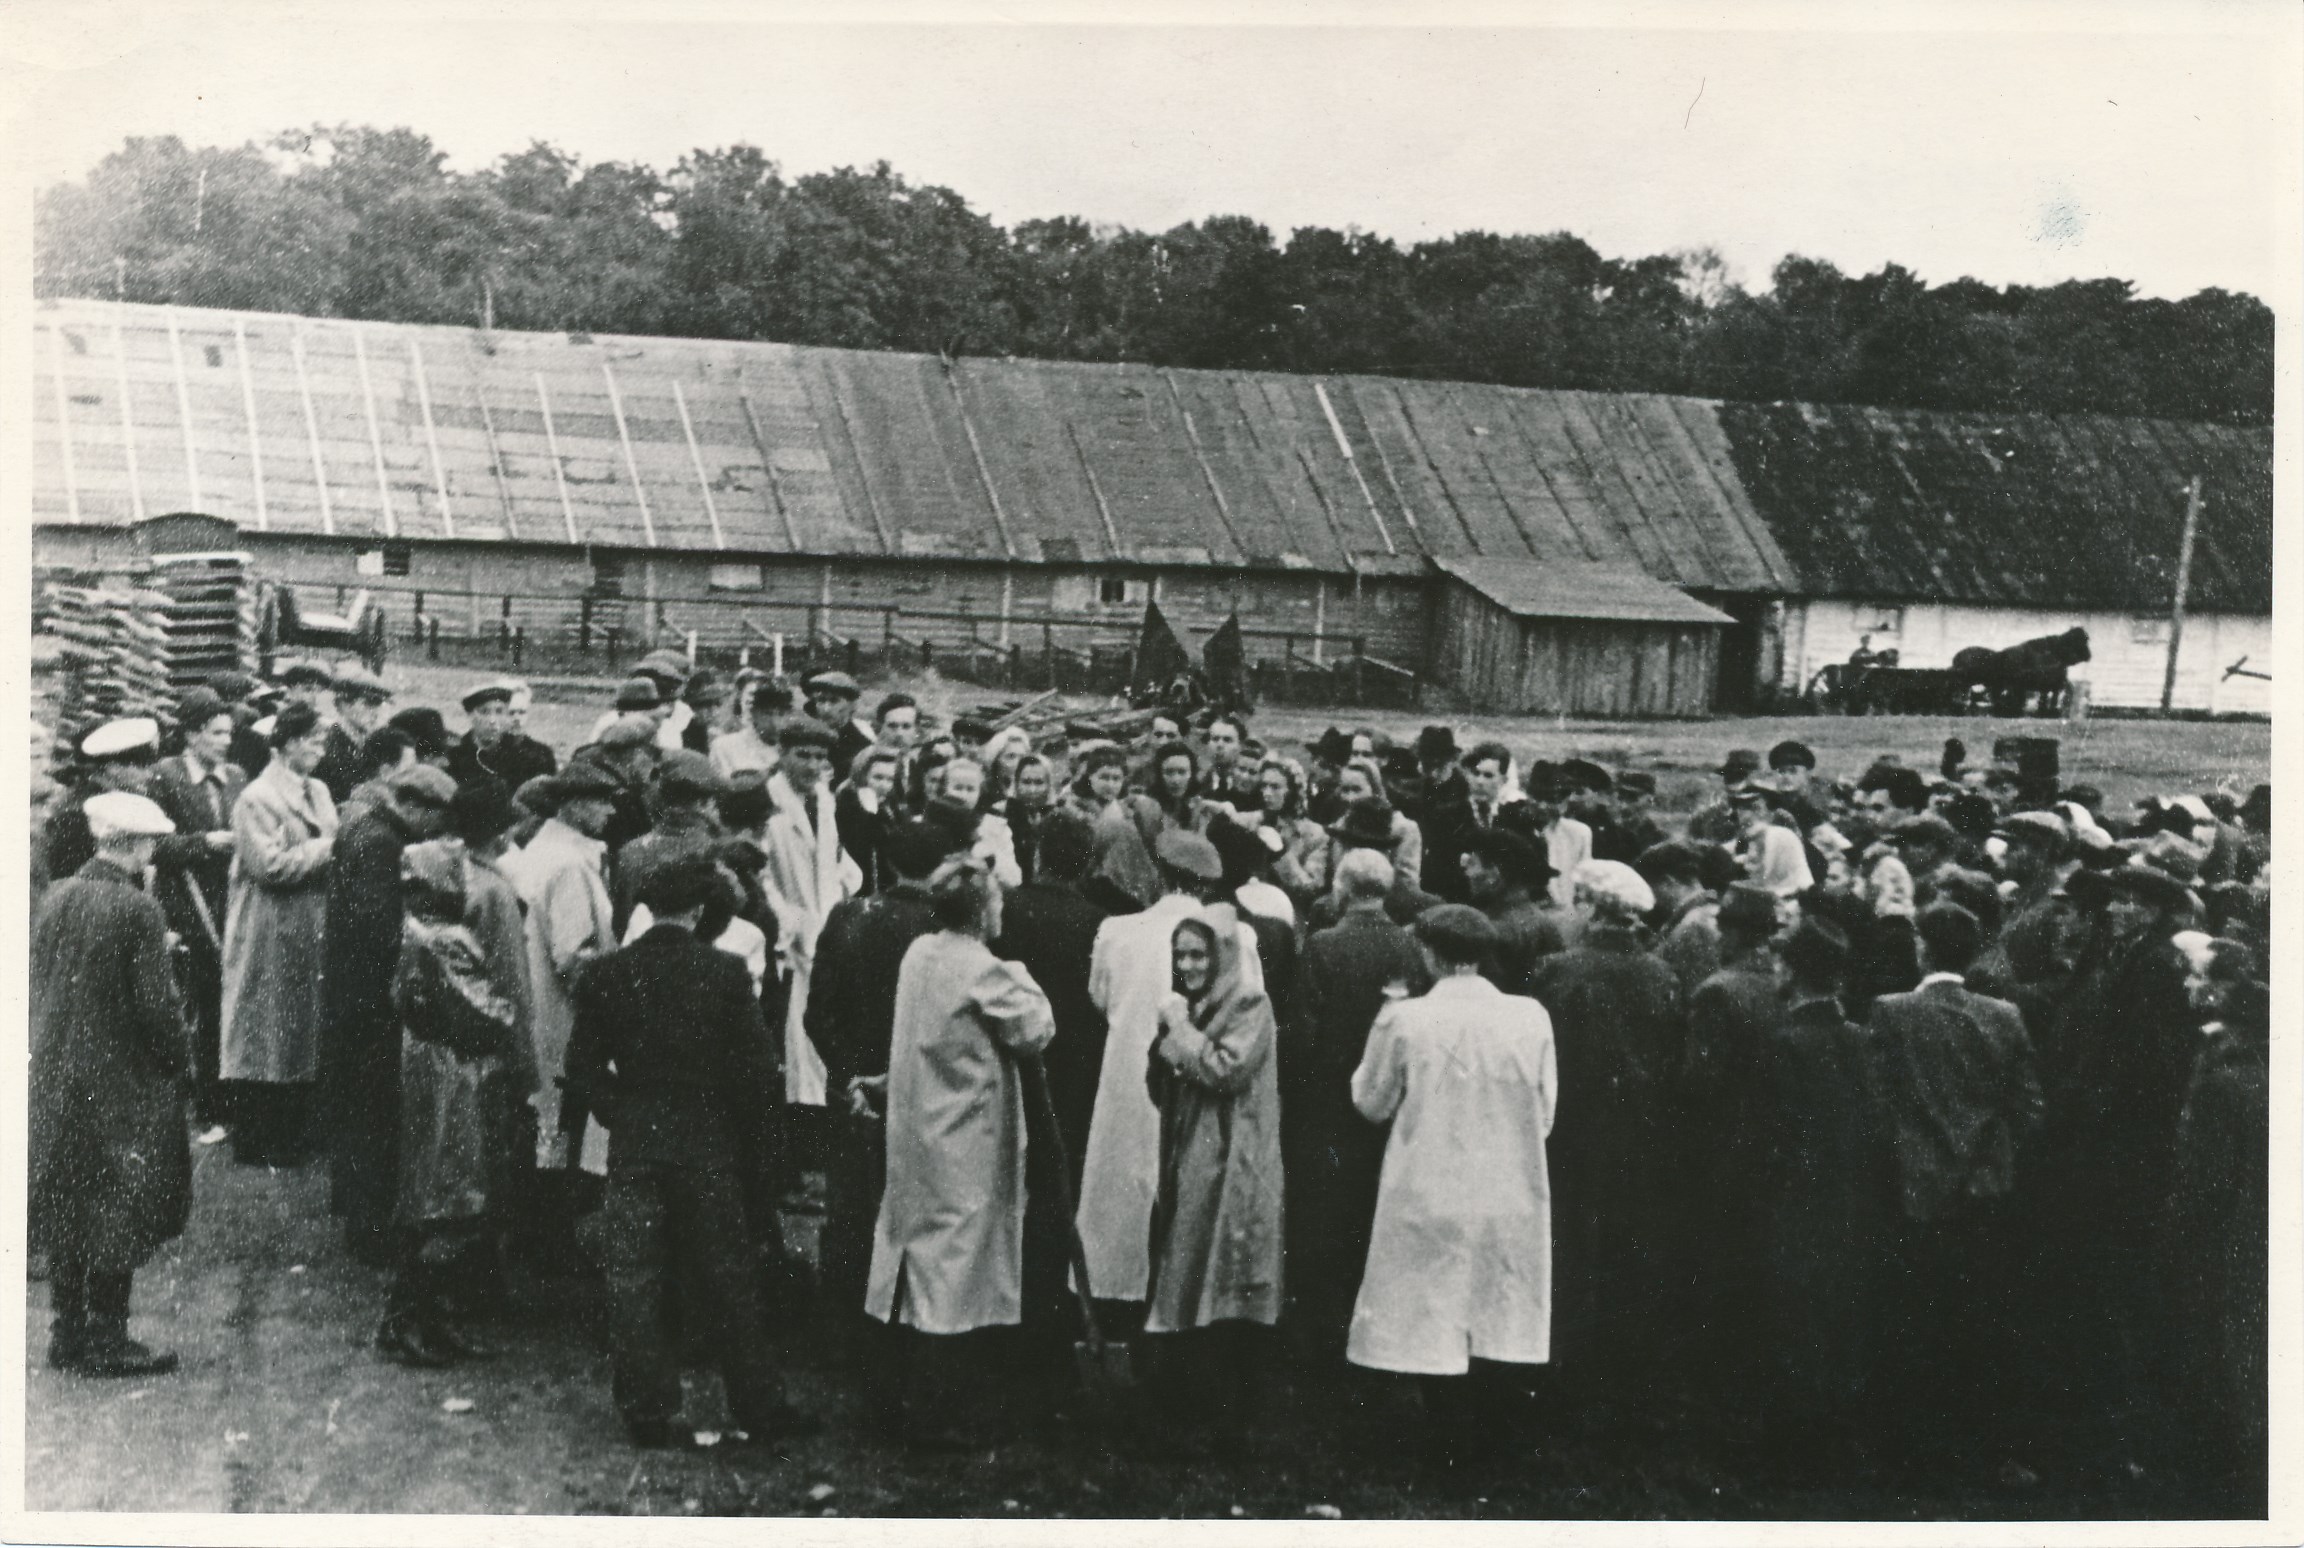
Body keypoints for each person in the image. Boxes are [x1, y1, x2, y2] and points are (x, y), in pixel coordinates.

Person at [567, 856, 815, 1449]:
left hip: (637, 1142)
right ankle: (759, 1405)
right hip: (709, 1145)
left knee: (633, 1279)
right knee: (730, 1277)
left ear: (648, 907)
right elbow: (756, 1076)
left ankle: (649, 1410)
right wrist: (763, 1154)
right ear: (701, 911)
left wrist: (618, 1110)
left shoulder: (607, 973)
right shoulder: (726, 973)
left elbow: (581, 1067)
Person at [1347, 904, 1557, 1468]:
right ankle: (1488, 1444)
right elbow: (1544, 1113)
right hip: (1506, 1186)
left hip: (1430, 1185)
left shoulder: (1406, 1018)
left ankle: (1446, 1442)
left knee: (1433, 1311)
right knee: (1494, 1304)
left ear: (1430, 953)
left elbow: (1370, 1101)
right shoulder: (1531, 1015)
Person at [864, 855, 1056, 1446]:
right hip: (964, 1137)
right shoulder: (986, 970)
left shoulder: (919, 953)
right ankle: (940, 1412)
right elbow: (1036, 1029)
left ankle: (894, 1397)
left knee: (913, 1255)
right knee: (955, 1271)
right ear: (981, 910)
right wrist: (1018, 970)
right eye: (997, 902)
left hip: (918, 1126)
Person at [1866, 903, 2044, 1473]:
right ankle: (1983, 1449)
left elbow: (1877, 1102)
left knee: (1915, 1317)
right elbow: (2030, 1109)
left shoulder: (1891, 1012)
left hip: (1914, 1186)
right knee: (1983, 1321)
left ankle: (1913, 1452)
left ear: (1922, 949)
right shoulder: (2004, 1015)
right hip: (1985, 1187)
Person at [30, 791, 192, 1377]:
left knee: (68, 1198)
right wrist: (179, 1061)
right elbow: (156, 1010)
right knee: (119, 1201)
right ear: (136, 845)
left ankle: (66, 1330)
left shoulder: (58, 893)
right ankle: (106, 1338)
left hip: (55, 1072)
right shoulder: (138, 909)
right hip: (118, 1079)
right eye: (150, 843)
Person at [1078, 830, 1263, 1316]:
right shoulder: (1238, 937)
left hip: (1129, 1075)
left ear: (1157, 875)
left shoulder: (1117, 931)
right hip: (1200, 1073)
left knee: (1123, 1183)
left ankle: (1116, 1300)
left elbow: (1100, 998)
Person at [1531, 858, 1681, 1419]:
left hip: (1570, 1128)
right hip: (1638, 1132)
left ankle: (1562, 1365)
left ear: (1592, 908)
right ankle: (1617, 1371)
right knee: (1625, 1245)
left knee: (1568, 1243)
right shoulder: (1661, 975)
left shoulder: (1558, 970)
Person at [376, 842, 524, 1367]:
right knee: (454, 1191)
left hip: (428, 1063)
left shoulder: (412, 929)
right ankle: (409, 1319)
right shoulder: (447, 938)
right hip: (456, 1072)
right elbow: (487, 1010)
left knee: (434, 1190)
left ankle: (426, 1318)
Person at [806, 818, 948, 1361]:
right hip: (923, 1092)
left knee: (851, 1210)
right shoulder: (944, 926)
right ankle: (908, 1329)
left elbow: (818, 1014)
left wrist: (847, 1078)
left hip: (854, 1086)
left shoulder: (850, 916)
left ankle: (843, 1333)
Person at [1754, 918, 1894, 1468]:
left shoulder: (1785, 1044)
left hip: (1797, 1204)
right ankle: (1841, 1436)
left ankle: (1796, 1449)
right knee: (1844, 1321)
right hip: (1856, 1204)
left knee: (1796, 1322)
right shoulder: (1863, 1039)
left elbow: (1769, 1140)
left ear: (1790, 969)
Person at [1144, 909, 1286, 1435]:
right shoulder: (1195, 1006)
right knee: (1186, 1271)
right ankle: (1191, 1412)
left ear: (1222, 956)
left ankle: (1223, 1419)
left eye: (1198, 954)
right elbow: (1165, 1077)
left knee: (1221, 1276)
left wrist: (1178, 1033)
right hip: (1192, 1156)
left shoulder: (1249, 1004)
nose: (1188, 965)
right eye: (1180, 955)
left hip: (1231, 1159)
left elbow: (1224, 1069)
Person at [1285, 850, 1427, 1349]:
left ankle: (1323, 1328)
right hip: (1391, 1101)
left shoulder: (1324, 946)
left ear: (1342, 888)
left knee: (1327, 1213)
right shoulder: (1410, 949)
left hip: (1327, 1102)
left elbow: (1301, 1035)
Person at [322, 763, 458, 1265]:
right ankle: (371, 1232)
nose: (436, 831)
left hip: (351, 995)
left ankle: (363, 1219)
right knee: (374, 1115)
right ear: (415, 806)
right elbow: (378, 926)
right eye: (434, 818)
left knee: (363, 1112)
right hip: (369, 1000)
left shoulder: (366, 828)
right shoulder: (382, 842)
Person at [496, 762, 622, 1235]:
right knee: (562, 1123)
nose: (611, 811)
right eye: (602, 801)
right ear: (572, 805)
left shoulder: (546, 849)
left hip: (536, 1003)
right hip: (564, 1013)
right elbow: (574, 956)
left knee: (545, 1121)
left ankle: (537, 1232)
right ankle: (550, 1240)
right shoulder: (569, 865)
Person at [2166, 938, 2269, 1497]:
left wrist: (2178, 1233)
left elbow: (2203, 1184)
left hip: (2225, 1239)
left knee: (2222, 1344)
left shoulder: (2221, 1086)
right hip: (2260, 1233)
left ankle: (2225, 1459)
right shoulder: (2266, 1077)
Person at [218, 702, 339, 1167]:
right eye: (313, 740)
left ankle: (296, 1131)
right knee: (264, 1026)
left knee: (300, 1027)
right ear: (288, 742)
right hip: (268, 927)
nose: (320, 750)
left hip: (310, 923)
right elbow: (267, 866)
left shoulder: (320, 791)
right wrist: (327, 848)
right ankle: (258, 1138)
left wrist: (318, 850)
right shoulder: (257, 798)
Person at [1679, 879, 1784, 1402]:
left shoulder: (1718, 990)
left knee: (1718, 1260)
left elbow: (1699, 1081)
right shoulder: (1783, 984)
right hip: (1776, 1144)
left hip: (1724, 1144)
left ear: (1733, 933)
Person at [149, 689, 247, 1124]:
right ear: (191, 735)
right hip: (186, 904)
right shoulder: (165, 778)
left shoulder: (237, 777)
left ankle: (230, 1093)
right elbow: (152, 845)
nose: (225, 741)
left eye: (229, 732)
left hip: (232, 901)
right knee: (202, 1003)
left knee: (231, 1001)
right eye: (215, 733)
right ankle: (207, 1102)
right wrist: (204, 843)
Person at [762, 719, 863, 1110]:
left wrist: (844, 890)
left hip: (826, 923)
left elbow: (832, 856)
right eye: (802, 755)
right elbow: (763, 874)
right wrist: (790, 921)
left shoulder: (824, 798)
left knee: (822, 1030)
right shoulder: (769, 802)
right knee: (792, 1036)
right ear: (782, 754)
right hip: (790, 936)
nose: (811, 765)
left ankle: (821, 1114)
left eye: (819, 757)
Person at [45, 717, 163, 884]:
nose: (149, 775)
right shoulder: (78, 813)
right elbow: (65, 881)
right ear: (113, 768)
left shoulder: (114, 802)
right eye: (141, 766)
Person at [1459, 829, 1563, 997]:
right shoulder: (1546, 922)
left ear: (1494, 873)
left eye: (1472, 863)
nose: (1467, 873)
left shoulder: (1490, 929)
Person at [1325, 757, 1421, 895]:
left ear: (1375, 790)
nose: (1350, 798)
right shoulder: (1340, 827)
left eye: (1357, 789)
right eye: (1345, 790)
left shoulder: (1403, 829)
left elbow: (1407, 886)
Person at [1638, 840, 1721, 996]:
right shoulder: (1705, 914)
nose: (1652, 900)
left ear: (1669, 882)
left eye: (1652, 889)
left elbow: (1698, 991)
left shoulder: (1694, 926)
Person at [449, 680, 555, 790]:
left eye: (499, 712)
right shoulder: (454, 756)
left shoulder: (526, 757)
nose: (492, 720)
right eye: (484, 712)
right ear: (470, 715)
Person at [313, 664, 393, 806]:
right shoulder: (327, 748)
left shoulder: (371, 744)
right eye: (368, 704)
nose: (376, 712)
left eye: (379, 704)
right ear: (343, 705)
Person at [711, 676, 790, 784]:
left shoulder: (792, 750)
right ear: (753, 714)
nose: (775, 722)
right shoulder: (724, 745)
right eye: (767, 714)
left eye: (781, 714)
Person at [802, 671, 873, 784]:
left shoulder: (861, 747)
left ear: (852, 705)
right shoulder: (805, 738)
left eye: (834, 701)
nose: (826, 709)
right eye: (821, 700)